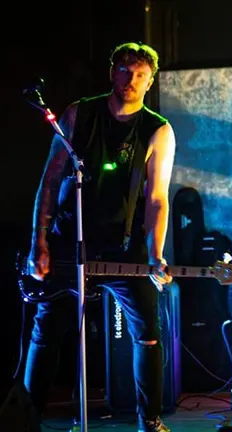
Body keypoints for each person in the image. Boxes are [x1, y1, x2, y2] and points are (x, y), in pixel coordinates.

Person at [25, 42, 175, 432]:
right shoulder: (79, 113)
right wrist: (38, 242)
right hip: (68, 241)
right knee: (47, 331)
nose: (131, 80)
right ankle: (26, 417)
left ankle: (151, 420)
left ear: (150, 81)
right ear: (112, 72)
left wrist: (156, 253)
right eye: (125, 71)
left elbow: (157, 198)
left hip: (123, 247)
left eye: (140, 74)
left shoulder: (157, 129)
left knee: (148, 333)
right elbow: (51, 178)